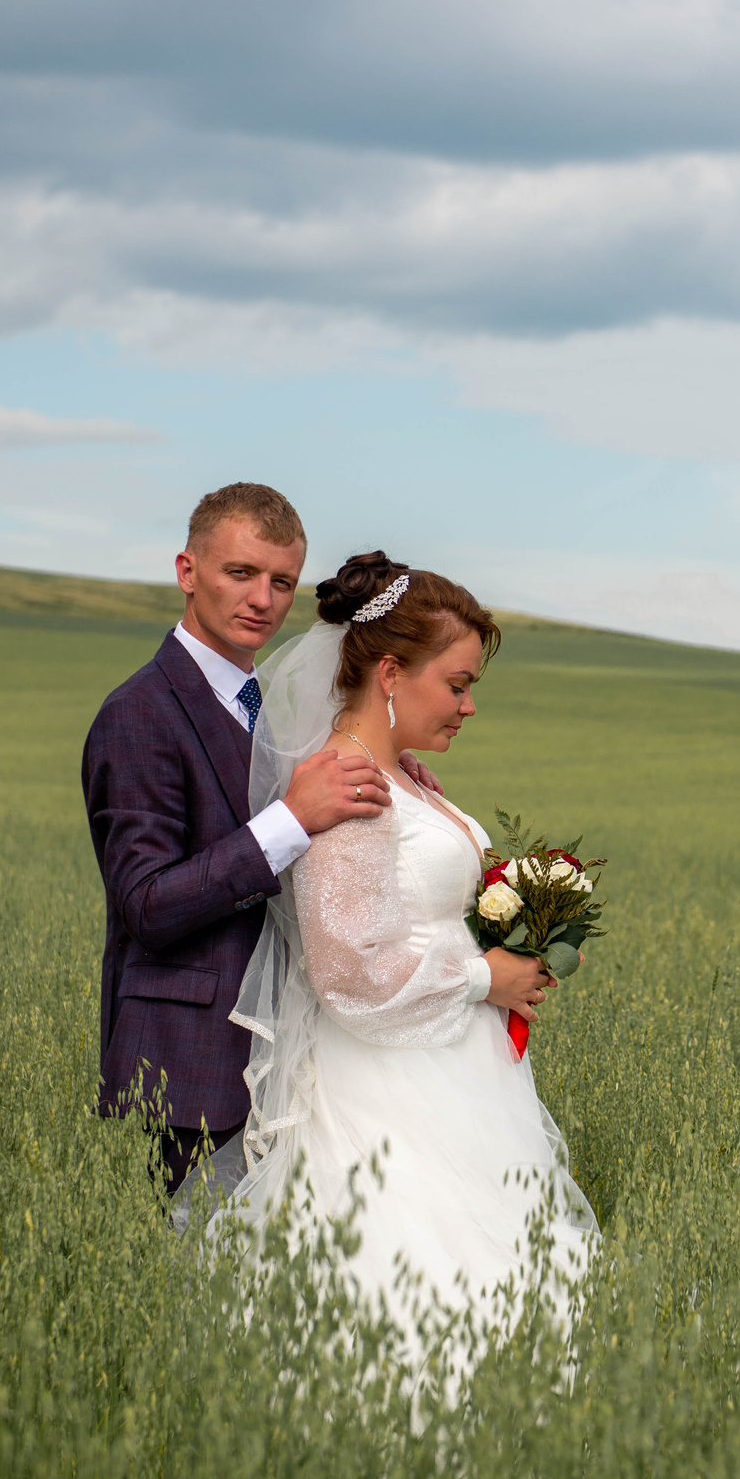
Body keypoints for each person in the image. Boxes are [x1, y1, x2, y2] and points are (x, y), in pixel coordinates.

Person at [225, 550, 595, 1331]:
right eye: (456, 684)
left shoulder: (404, 775)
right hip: (385, 1087)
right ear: (390, 673)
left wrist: (525, 929)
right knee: (427, 1290)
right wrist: (481, 976)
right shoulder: (350, 783)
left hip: (451, 1069)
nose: (468, 706)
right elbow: (348, 968)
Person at [83, 485, 436, 1211]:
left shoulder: (275, 710)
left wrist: (397, 781)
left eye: (281, 582)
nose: (262, 599)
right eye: (240, 572)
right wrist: (290, 820)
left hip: (298, 1058)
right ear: (187, 570)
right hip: (190, 1067)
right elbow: (147, 902)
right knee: (195, 1285)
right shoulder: (139, 712)